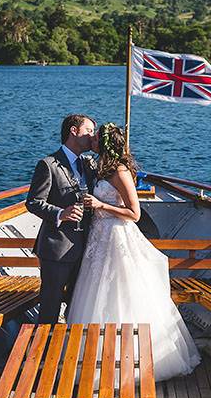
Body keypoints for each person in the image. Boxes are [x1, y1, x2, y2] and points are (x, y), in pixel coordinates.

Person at [67, 123, 200, 380]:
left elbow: (134, 213)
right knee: (95, 294)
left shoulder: (120, 171)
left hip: (117, 236)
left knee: (121, 294)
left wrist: (100, 206)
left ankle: (129, 361)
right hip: (99, 237)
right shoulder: (101, 168)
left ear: (105, 144)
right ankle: (94, 357)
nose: (92, 140)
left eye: (96, 138)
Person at [26, 114, 97, 324]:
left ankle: (67, 341)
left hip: (84, 248)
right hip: (57, 249)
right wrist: (60, 213)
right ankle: (44, 343)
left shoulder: (88, 164)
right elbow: (33, 202)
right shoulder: (48, 165)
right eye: (89, 131)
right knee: (50, 305)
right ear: (74, 131)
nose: (92, 136)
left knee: (77, 305)